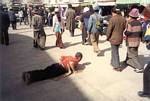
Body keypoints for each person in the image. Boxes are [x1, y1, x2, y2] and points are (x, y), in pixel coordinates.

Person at [123, 8, 143, 73]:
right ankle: (127, 61)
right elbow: (141, 32)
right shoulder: (140, 23)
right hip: (137, 40)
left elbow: (128, 32)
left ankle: (139, 67)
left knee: (132, 54)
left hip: (131, 41)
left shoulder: (130, 23)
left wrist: (125, 32)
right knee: (135, 53)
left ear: (131, 16)